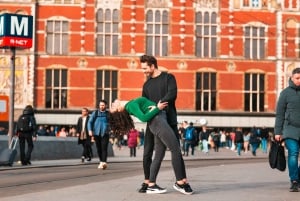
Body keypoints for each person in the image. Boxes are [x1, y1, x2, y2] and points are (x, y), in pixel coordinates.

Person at [110, 97, 193, 195]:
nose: (112, 104)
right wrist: (157, 108)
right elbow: (144, 118)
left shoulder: (130, 104)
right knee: (175, 149)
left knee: (159, 155)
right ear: (119, 109)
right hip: (158, 122)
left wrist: (155, 108)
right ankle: (180, 182)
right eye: (113, 107)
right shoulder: (130, 106)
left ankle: (151, 185)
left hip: (158, 122)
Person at [138, 55, 187, 194]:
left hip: (169, 119)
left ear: (153, 66)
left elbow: (172, 94)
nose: (144, 71)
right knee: (147, 152)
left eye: (145, 68)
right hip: (152, 120)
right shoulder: (146, 85)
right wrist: (155, 108)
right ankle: (148, 182)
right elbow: (143, 103)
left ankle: (183, 180)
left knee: (175, 149)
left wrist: (159, 104)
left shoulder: (168, 78)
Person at [274, 67, 300, 192]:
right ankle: (294, 180)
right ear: (292, 78)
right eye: (297, 78)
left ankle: (298, 177)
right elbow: (280, 114)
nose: (299, 80)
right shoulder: (285, 93)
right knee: (293, 153)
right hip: (290, 129)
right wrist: (278, 132)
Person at [87, 100, 110, 170]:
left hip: (105, 133)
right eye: (100, 105)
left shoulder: (108, 114)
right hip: (96, 133)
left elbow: (112, 123)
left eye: (103, 105)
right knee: (99, 148)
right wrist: (90, 130)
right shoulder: (95, 113)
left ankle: (104, 162)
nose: (101, 106)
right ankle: (101, 161)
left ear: (106, 106)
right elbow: (90, 122)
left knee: (104, 148)